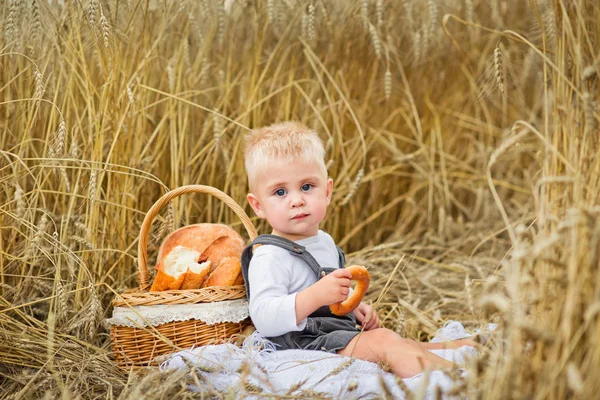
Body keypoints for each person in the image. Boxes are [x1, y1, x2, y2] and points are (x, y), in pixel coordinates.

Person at [240, 121, 475, 378]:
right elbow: (264, 316)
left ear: (327, 191)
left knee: (399, 341)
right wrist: (316, 296)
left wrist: (353, 306)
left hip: (336, 335)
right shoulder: (269, 256)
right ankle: (462, 382)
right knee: (384, 342)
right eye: (280, 192)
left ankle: (469, 351)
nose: (297, 200)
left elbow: (332, 293)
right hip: (303, 343)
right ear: (258, 205)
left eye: (307, 187)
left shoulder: (325, 242)